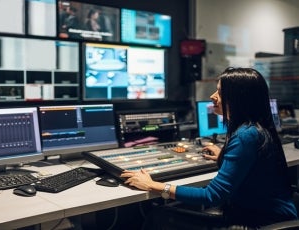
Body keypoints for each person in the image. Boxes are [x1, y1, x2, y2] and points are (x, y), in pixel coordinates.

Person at [121, 67, 298, 229]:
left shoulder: (246, 135)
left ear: (239, 98)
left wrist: (153, 185)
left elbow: (212, 196)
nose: (213, 96)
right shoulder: (257, 128)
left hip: (257, 223)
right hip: (268, 216)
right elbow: (254, 165)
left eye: (220, 92)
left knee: (159, 216)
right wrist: (225, 155)